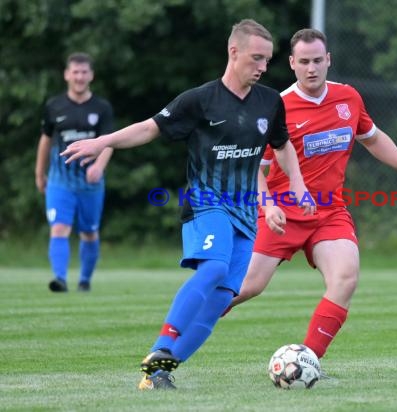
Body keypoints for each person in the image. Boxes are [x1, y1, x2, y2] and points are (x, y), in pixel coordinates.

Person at [61, 19, 313, 390]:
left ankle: (158, 372)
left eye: (267, 60)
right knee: (212, 268)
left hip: (246, 214)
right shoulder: (199, 100)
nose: (262, 66)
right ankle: (162, 345)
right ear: (233, 52)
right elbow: (149, 128)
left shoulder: (270, 102)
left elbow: (282, 145)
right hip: (206, 202)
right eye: (256, 58)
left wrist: (297, 184)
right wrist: (103, 142)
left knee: (221, 298)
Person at [224, 28, 397, 362]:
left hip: (328, 211)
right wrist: (269, 204)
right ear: (292, 63)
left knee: (345, 277)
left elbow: (372, 137)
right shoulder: (276, 108)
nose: (311, 68)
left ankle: (307, 363)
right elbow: (252, 169)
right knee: (246, 286)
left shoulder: (348, 98)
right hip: (282, 211)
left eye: (317, 60)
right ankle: (182, 328)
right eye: (304, 61)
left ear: (328, 60)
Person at [35, 52, 114, 293]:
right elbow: (45, 140)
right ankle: (59, 279)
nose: (79, 77)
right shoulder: (54, 106)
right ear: (67, 75)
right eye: (75, 72)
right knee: (59, 227)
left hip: (90, 184)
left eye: (84, 72)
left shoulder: (102, 108)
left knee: (89, 232)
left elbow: (109, 142)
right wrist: (40, 172)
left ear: (91, 75)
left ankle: (84, 281)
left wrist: (99, 166)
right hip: (60, 181)